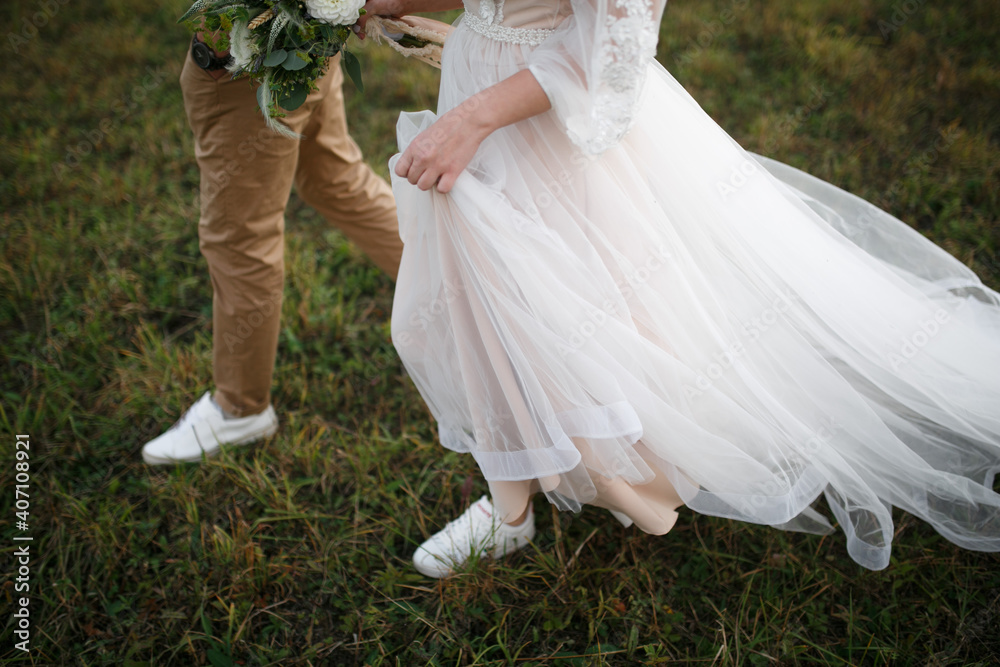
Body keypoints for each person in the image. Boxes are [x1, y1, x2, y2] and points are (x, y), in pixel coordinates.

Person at [360, 0, 1000, 578]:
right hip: (477, 81)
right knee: (486, 294)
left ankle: (637, 460)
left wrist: (473, 119)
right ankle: (510, 504)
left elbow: (615, 41)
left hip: (559, 118)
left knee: (601, 298)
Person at [141, 31, 404, 465]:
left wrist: (217, 49)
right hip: (311, 44)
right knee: (337, 181)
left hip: (249, 66)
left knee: (240, 236)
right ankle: (463, 283)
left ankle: (240, 408)